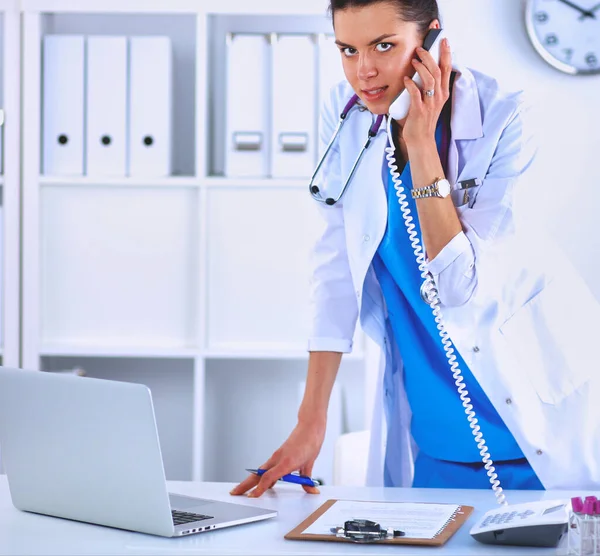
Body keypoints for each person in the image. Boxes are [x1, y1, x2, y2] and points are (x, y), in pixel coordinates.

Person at [230, 0, 600, 498]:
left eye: (384, 46)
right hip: (436, 437)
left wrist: (421, 146)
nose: (364, 71)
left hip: (536, 432)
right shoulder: (346, 118)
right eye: (347, 49)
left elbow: (459, 287)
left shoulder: (507, 118)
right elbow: (335, 271)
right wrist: (310, 420)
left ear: (430, 40)